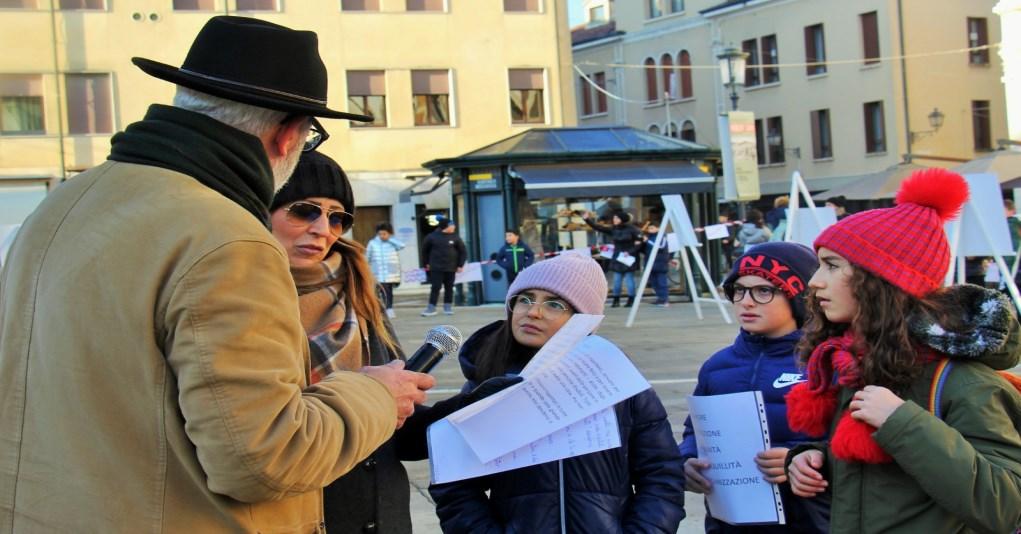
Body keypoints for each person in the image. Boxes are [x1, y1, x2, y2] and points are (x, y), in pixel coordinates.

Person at [0, 17, 434, 532]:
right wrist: (376, 394)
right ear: (289, 136)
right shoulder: (228, 238)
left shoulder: (63, 203)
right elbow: (266, 459)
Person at [785, 169, 1021, 533]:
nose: (815, 281)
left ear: (879, 281)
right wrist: (815, 459)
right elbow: (886, 484)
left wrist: (902, 423)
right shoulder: (858, 366)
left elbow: (1005, 505)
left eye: (832, 265)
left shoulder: (965, 382)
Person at [429, 253, 687, 532]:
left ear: (583, 320)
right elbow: (454, 486)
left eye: (554, 304)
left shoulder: (619, 384)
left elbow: (662, 476)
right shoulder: (486, 386)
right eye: (525, 299)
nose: (533, 312)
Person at [270, 151, 418, 533]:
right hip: (295, 515)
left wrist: (470, 408)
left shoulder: (361, 290)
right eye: (305, 211)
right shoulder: (235, 299)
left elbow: (398, 425)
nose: (323, 229)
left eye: (337, 218)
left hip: (379, 516)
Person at [679, 242, 829, 533]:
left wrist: (801, 458)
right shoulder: (717, 367)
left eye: (763, 291)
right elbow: (695, 431)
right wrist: (686, 461)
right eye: (739, 290)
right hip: (729, 524)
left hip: (809, 522)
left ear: (798, 297)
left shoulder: (827, 363)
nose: (746, 302)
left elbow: (850, 446)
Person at [584, 209, 642, 308]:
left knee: (629, 279)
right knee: (617, 280)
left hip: (628, 257)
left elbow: (639, 243)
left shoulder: (633, 229)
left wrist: (630, 251)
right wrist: (587, 219)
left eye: (617, 218)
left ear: (622, 219)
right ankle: (616, 300)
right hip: (618, 257)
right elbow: (598, 227)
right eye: (614, 218)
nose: (614, 220)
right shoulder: (613, 229)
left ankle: (631, 300)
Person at [421, 216, 466, 317]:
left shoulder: (455, 237)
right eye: (452, 225)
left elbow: (463, 251)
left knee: (449, 287)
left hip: (451, 267)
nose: (454, 227)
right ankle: (431, 307)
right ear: (446, 226)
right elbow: (424, 251)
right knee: (435, 287)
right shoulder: (431, 237)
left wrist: (460, 264)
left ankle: (448, 307)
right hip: (436, 267)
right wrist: (426, 263)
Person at [367, 221, 405, 319]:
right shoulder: (372, 243)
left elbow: (402, 246)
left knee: (388, 292)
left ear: (389, 233)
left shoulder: (393, 243)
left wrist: (390, 240)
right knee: (376, 292)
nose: (382, 236)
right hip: (377, 273)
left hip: (390, 273)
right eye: (380, 234)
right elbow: (367, 257)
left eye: (384, 234)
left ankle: (389, 309)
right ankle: (377, 310)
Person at [642, 222, 672, 307]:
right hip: (651, 263)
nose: (650, 230)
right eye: (649, 228)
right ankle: (660, 298)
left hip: (660, 263)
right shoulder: (649, 237)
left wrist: (647, 241)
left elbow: (660, 247)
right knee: (654, 283)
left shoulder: (662, 237)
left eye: (652, 228)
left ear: (658, 228)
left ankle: (664, 299)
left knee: (661, 282)